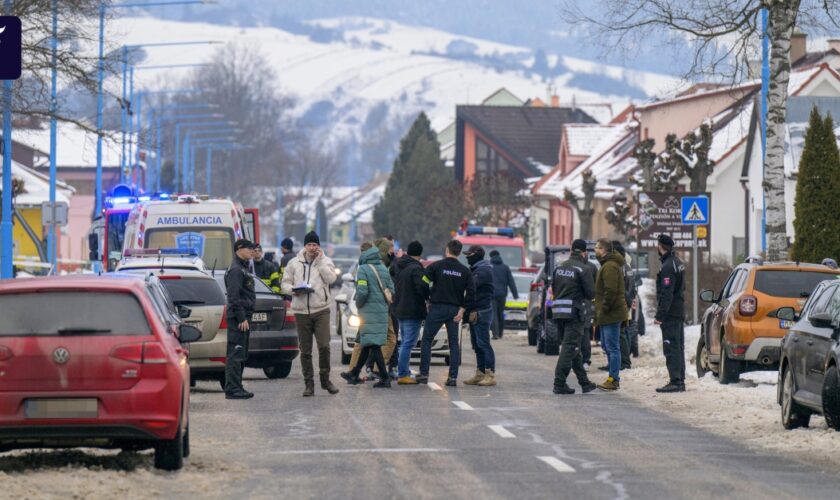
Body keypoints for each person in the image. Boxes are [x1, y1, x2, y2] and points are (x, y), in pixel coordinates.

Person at [280, 231, 340, 397]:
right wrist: (294, 290)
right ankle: (309, 384)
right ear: (304, 246)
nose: (312, 248)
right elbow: (284, 284)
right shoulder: (294, 263)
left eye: (315, 245)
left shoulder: (326, 261)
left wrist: (320, 263)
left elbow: (331, 279)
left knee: (324, 346)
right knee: (305, 350)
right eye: (309, 245)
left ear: (318, 246)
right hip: (301, 311)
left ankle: (325, 379)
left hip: (320, 309)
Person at [417, 239, 475, 387]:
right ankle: (452, 378)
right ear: (460, 252)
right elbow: (471, 292)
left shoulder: (436, 266)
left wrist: (427, 298)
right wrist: (462, 309)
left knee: (427, 340)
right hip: (454, 310)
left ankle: (424, 374)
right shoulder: (465, 271)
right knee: (454, 344)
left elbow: (423, 282)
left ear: (447, 250)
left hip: (436, 308)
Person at [342, 243, 395, 388]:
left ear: (363, 254)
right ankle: (354, 373)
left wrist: (359, 304)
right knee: (368, 343)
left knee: (373, 345)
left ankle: (384, 378)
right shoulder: (383, 268)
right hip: (381, 311)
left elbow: (363, 291)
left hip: (368, 312)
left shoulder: (363, 269)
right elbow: (392, 289)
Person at [551, 239, 597, 395]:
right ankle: (559, 383)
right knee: (569, 348)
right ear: (584, 252)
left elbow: (554, 289)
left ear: (571, 250)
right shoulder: (583, 269)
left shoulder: (559, 268)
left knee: (574, 348)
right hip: (574, 314)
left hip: (558, 312)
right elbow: (591, 294)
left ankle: (585, 383)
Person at [391, 240, 430, 384]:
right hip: (412, 310)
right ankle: (403, 374)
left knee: (405, 342)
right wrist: (428, 297)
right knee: (409, 342)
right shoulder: (416, 268)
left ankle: (403, 371)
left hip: (399, 308)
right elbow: (422, 287)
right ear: (420, 253)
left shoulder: (399, 265)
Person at [224, 239, 257, 400]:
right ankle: (232, 389)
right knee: (236, 353)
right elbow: (233, 296)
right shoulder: (236, 270)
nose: (252, 251)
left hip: (243, 316)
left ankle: (237, 386)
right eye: (249, 248)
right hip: (238, 318)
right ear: (239, 249)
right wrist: (241, 317)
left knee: (241, 353)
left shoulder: (243, 267)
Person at [593, 238, 627, 392]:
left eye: (597, 248)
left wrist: (604, 308)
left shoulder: (610, 267)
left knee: (613, 347)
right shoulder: (608, 265)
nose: (595, 250)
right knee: (607, 345)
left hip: (611, 313)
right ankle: (612, 377)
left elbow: (611, 291)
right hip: (608, 313)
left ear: (604, 250)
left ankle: (614, 379)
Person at [654, 233, 687, 393]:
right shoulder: (677, 262)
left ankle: (676, 381)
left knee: (671, 347)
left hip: (671, 314)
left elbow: (667, 293)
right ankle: (680, 379)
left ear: (660, 246)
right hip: (678, 310)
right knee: (678, 346)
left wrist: (660, 315)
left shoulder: (668, 266)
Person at [463, 245, 497, 386]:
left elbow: (471, 287)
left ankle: (490, 374)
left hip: (482, 311)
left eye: (469, 255)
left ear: (476, 255)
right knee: (477, 345)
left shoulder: (483, 271)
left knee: (483, 343)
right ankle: (480, 373)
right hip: (474, 311)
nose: (467, 258)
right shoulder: (477, 269)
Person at [612, 241, 635, 370]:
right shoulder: (627, 266)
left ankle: (624, 362)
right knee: (623, 332)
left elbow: (620, 287)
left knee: (619, 334)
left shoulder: (619, 267)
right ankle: (622, 361)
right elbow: (632, 287)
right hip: (625, 303)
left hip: (620, 303)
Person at [489, 250, 518, 339]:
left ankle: (495, 333)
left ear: (491, 257)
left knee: (493, 313)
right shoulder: (505, 268)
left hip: (492, 294)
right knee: (500, 313)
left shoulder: (489, 267)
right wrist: (515, 294)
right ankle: (500, 333)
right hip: (502, 294)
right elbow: (511, 281)